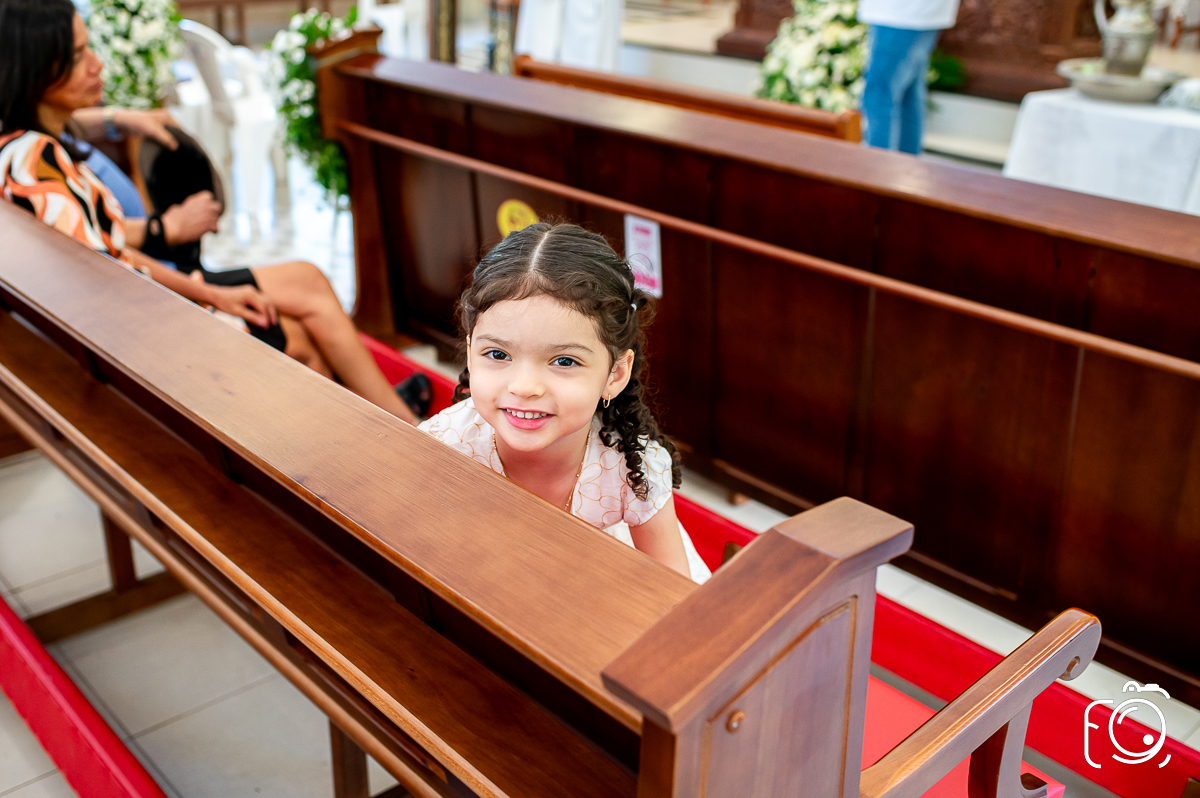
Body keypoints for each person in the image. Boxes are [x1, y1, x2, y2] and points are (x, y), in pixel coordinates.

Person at [0, 0, 429, 422]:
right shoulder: (37, 162)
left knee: (304, 292)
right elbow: (116, 274)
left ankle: (393, 428)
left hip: (124, 318)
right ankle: (408, 437)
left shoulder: (20, 148)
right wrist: (210, 291)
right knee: (301, 334)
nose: (96, 63)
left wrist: (118, 118)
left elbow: (105, 254)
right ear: (37, 67)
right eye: (78, 55)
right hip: (137, 336)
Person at [419, 223, 711, 584]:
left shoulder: (632, 470)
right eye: (497, 353)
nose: (524, 388)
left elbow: (672, 592)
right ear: (469, 354)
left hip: (602, 586)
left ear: (615, 374)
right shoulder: (441, 447)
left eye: (564, 361)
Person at [858, 0, 961, 154]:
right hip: (915, 13)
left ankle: (876, 171)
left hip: (900, 13)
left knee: (879, 96)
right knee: (909, 96)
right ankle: (906, 170)